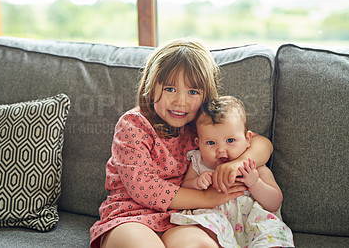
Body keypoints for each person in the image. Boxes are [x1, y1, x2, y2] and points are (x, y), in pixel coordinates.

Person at [89, 38, 274, 248]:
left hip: (183, 218)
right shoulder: (133, 125)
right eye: (170, 89)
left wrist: (236, 164)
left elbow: (262, 144)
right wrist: (207, 199)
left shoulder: (203, 125)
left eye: (193, 92)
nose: (181, 101)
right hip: (130, 215)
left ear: (206, 96)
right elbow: (145, 188)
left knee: (201, 245)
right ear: (151, 87)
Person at [170, 96, 294, 247]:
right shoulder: (199, 162)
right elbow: (185, 188)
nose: (221, 150)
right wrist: (197, 182)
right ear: (199, 144)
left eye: (230, 141)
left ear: (248, 138)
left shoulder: (254, 165)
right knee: (202, 229)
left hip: (254, 221)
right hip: (216, 220)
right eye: (210, 143)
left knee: (271, 235)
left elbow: (274, 202)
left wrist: (255, 183)